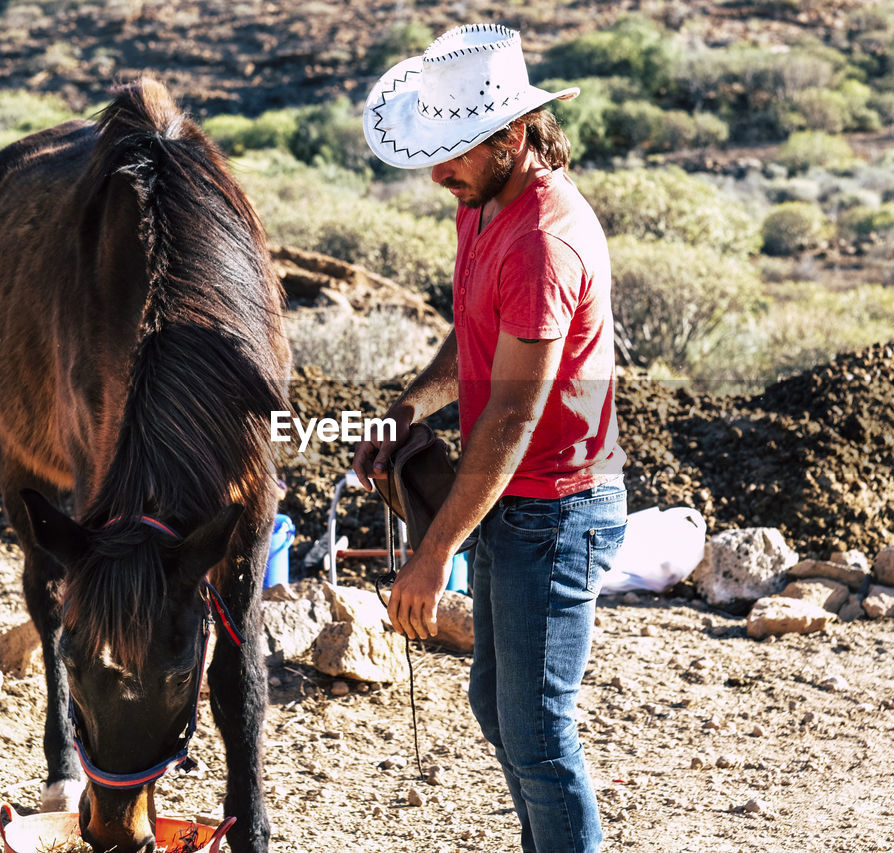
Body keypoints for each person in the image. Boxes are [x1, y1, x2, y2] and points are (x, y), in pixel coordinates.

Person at [351, 23, 626, 853]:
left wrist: (434, 554)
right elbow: (472, 332)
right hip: (515, 503)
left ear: (511, 134)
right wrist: (413, 407)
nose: (437, 174)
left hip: (558, 510)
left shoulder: (543, 240)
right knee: (495, 705)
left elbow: (511, 415)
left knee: (538, 729)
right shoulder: (484, 202)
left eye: (453, 153)